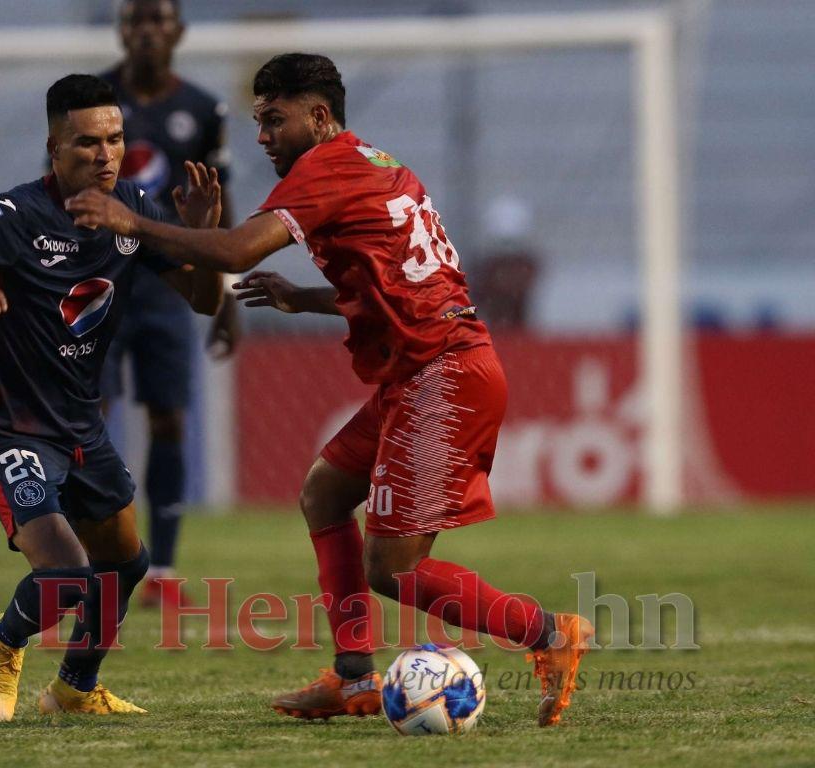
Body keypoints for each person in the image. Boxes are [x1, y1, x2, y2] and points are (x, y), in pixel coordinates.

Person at [64, 53, 594, 728]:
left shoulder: (325, 168)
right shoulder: (377, 163)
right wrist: (300, 297)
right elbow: (396, 284)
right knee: (325, 491)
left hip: (442, 375)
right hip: (427, 367)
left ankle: (548, 632)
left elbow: (235, 252)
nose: (262, 137)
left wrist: (133, 221)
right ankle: (352, 679)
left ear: (318, 116)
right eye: (257, 121)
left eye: (274, 119)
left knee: (393, 568)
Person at [0, 74, 223, 722]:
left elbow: (205, 300)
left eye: (116, 139)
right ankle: (4, 642)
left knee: (125, 565)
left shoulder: (136, 209)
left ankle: (72, 689)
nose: (105, 155)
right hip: (8, 425)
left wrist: (202, 239)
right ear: (54, 147)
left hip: (81, 426)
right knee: (67, 573)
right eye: (87, 143)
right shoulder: (14, 216)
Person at [99, 0, 239, 607]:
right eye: (138, 19)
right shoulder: (91, 98)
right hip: (97, 281)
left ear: (178, 31)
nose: (149, 30)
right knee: (88, 419)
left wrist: (227, 289)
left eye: (160, 18)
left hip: (167, 286)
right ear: (122, 29)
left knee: (168, 418)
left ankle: (165, 572)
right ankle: (93, 559)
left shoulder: (203, 110)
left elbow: (220, 202)